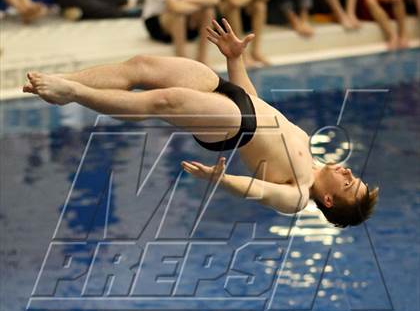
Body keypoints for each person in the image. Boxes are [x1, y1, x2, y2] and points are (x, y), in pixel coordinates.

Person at [22, 18, 379, 228]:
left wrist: (222, 180)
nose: (349, 174)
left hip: (233, 126)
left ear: (329, 201)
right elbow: (256, 101)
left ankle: (70, 92)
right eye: (355, 176)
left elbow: (258, 191)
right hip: (236, 100)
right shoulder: (310, 152)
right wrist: (235, 60)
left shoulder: (300, 194)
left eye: (349, 184)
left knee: (162, 101)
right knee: (142, 65)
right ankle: (59, 78)